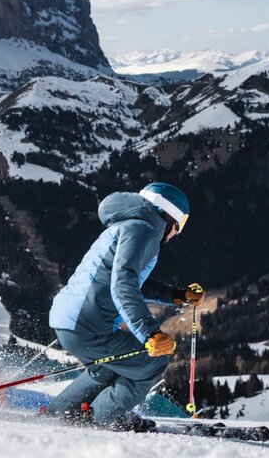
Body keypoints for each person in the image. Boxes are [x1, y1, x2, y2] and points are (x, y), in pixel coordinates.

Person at [46, 182, 204, 428]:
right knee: (153, 361)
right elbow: (124, 282)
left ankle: (62, 412)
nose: (176, 233)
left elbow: (132, 278)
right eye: (180, 224)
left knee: (106, 367)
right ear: (168, 214)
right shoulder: (144, 230)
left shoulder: (129, 224)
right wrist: (150, 332)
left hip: (68, 320)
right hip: (87, 325)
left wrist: (176, 295)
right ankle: (104, 416)